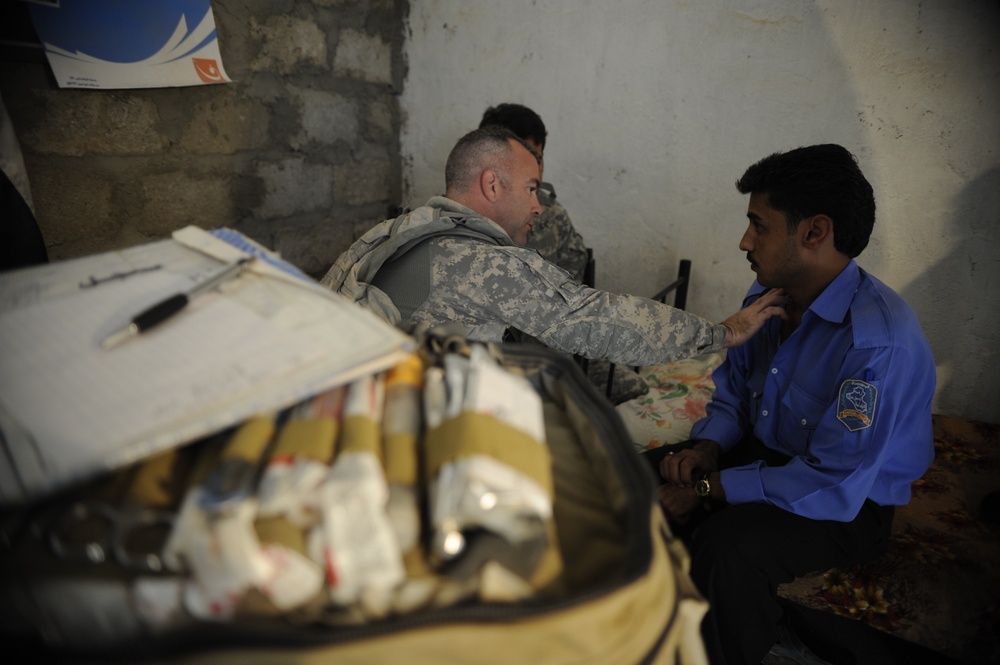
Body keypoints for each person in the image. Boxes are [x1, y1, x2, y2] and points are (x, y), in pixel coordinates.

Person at [645, 144, 936, 665]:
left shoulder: (874, 343)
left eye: (759, 225)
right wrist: (709, 448)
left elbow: (832, 480)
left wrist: (709, 490)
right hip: (768, 456)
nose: (744, 241)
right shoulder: (769, 292)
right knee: (633, 475)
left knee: (730, 548)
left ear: (814, 232)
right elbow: (734, 388)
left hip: (848, 499)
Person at [321, 125, 787, 368]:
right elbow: (595, 320)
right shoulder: (482, 263)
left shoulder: (391, 232)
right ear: (491, 184)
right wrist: (720, 334)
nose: (539, 206)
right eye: (531, 188)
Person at [479, 103, 589, 283]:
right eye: (525, 160)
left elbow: (574, 261)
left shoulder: (551, 212)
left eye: (539, 159)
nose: (536, 172)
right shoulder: (464, 216)